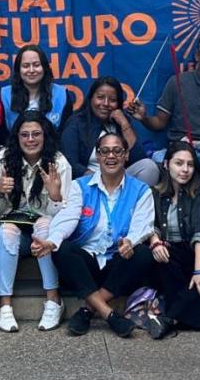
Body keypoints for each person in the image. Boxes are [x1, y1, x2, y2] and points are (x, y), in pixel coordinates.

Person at [40, 132, 156, 338]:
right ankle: (109, 314)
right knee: (62, 249)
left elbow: (142, 225)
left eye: (117, 151)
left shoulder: (141, 190)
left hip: (118, 262)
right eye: (105, 151)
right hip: (87, 264)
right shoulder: (80, 186)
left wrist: (130, 241)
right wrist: (52, 240)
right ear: (98, 156)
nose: (111, 156)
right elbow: (68, 217)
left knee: (143, 254)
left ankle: (87, 310)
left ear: (126, 155)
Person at [0, 111, 72, 332]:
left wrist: (55, 196)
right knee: (7, 230)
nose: (30, 139)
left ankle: (54, 300)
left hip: (43, 235)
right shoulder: (2, 160)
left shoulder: (58, 162)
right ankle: (5, 305)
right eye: (24, 134)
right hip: (10, 235)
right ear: (16, 137)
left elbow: (66, 216)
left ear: (45, 136)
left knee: (44, 225)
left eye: (36, 134)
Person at [129, 33, 200, 184]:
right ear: (197, 56)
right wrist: (144, 118)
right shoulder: (177, 81)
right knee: (157, 160)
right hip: (180, 149)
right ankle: (198, 188)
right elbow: (160, 123)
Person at [146, 141, 200, 337]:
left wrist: (199, 269)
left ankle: (170, 318)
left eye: (190, 164)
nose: (185, 169)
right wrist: (155, 241)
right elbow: (151, 225)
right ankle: (197, 315)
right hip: (168, 259)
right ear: (167, 164)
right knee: (161, 255)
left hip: (192, 256)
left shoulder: (198, 194)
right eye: (179, 163)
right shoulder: (154, 193)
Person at [60, 76, 158, 184]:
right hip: (90, 184)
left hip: (120, 183)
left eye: (112, 100)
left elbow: (138, 159)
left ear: (119, 103)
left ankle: (129, 200)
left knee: (149, 167)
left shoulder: (121, 121)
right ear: (91, 98)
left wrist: (123, 122)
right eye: (100, 97)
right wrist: (99, 181)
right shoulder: (76, 123)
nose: (106, 103)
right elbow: (70, 163)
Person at [0, 44, 72, 133]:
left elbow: (65, 133)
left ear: (44, 68)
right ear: (18, 70)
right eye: (26, 66)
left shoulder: (62, 95)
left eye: (36, 65)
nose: (31, 70)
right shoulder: (4, 96)